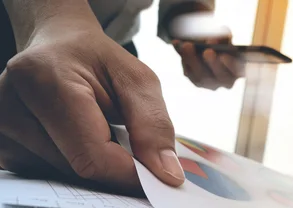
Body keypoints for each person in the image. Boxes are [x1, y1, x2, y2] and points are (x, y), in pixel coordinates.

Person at [0, 0, 244, 195]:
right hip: (24, 26)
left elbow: (181, 5)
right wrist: (52, 17)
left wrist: (199, 32)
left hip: (113, 50)